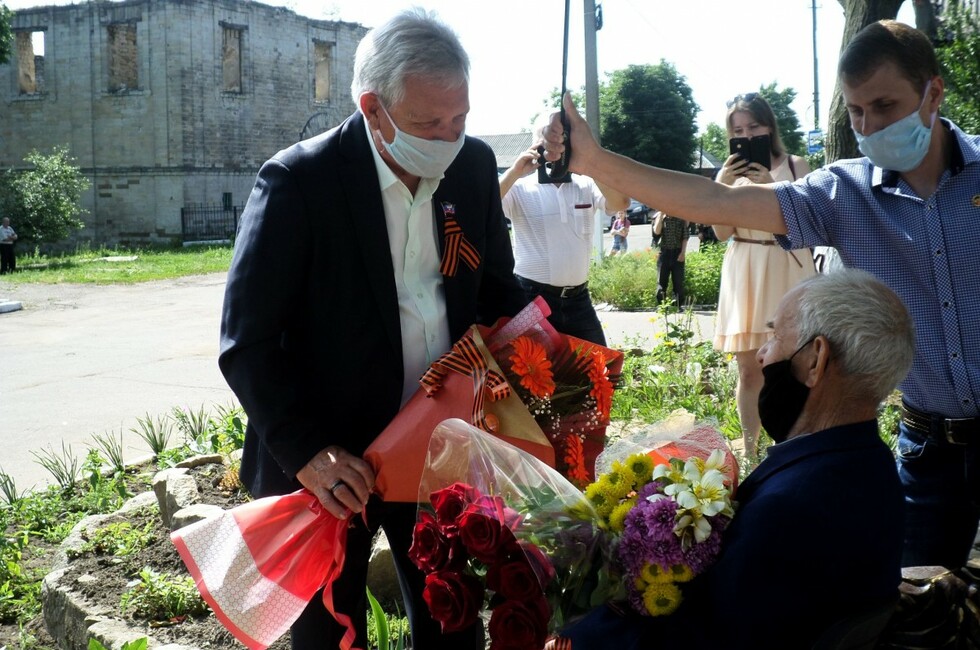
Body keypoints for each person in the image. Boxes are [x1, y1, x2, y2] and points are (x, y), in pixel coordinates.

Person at [541, 19, 980, 571]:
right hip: (926, 450)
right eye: (855, 112)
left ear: (933, 93)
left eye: (885, 106)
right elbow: (715, 203)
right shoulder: (842, 194)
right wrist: (596, 161)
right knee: (919, 602)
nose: (869, 127)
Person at [218, 9, 526, 649]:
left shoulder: (470, 168)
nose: (447, 137)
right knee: (331, 634)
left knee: (454, 624)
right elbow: (247, 342)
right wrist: (309, 451)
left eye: (460, 118)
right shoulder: (299, 183)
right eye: (426, 123)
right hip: (335, 470)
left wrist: (549, 368)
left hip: (435, 448)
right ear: (372, 107)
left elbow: (496, 289)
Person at [555, 269, 913, 648]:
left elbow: (698, 639)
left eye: (775, 337)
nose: (762, 354)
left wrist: (577, 631)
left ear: (815, 359)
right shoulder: (873, 468)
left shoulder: (788, 509)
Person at [711, 94, 816, 461]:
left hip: (788, 263)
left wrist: (771, 184)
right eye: (738, 129)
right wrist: (720, 186)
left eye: (754, 126)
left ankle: (798, 446)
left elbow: (807, 221)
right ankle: (752, 452)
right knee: (749, 369)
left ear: (769, 126)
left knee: (799, 364)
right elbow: (721, 233)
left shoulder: (795, 164)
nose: (747, 134)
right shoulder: (728, 177)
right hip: (747, 267)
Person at [497, 138, 628, 345]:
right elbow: (485, 204)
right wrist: (515, 171)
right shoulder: (520, 187)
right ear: (536, 145)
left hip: (578, 299)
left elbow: (620, 202)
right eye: (547, 140)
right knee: (532, 371)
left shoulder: (586, 183)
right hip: (532, 299)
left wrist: (590, 165)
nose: (555, 149)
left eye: (561, 141)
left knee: (601, 371)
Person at [651, 210, 688, 308]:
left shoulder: (680, 218)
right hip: (664, 253)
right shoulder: (659, 218)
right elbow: (656, 232)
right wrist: (661, 215)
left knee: (678, 282)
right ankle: (662, 306)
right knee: (661, 282)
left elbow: (685, 236)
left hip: (677, 253)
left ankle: (677, 305)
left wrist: (683, 252)